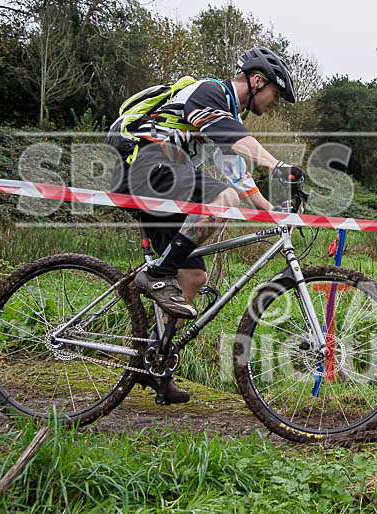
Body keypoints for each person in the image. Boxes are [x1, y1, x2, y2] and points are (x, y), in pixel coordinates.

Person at [108, 47, 305, 404]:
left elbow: (237, 172)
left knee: (192, 278)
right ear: (258, 81)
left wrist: (273, 212)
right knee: (223, 200)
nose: (276, 103)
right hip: (146, 163)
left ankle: (153, 366)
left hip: (165, 176)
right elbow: (233, 143)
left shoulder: (224, 114)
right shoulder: (209, 91)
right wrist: (278, 166)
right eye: (276, 94)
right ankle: (157, 274)